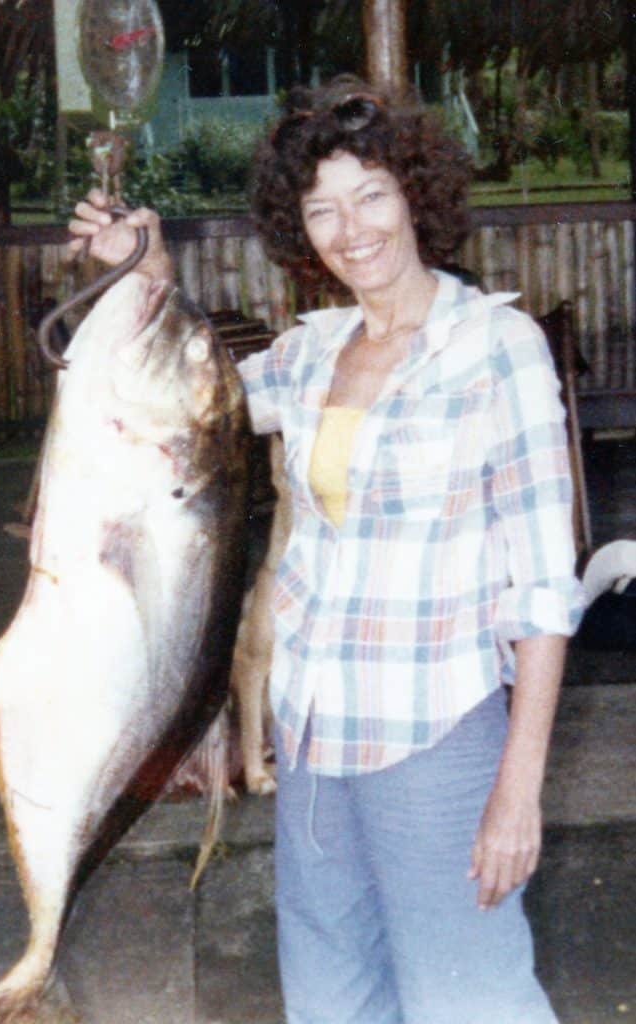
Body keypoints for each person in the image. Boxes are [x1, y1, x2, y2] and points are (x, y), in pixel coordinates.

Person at [68, 76, 586, 1024]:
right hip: (311, 736)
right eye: (321, 210)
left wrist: (518, 789)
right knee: (330, 998)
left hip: (433, 735)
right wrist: (146, 272)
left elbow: (544, 593)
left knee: (466, 1000)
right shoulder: (310, 350)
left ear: (415, 198)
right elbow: (184, 398)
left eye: (371, 196)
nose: (351, 231)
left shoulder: (495, 348)